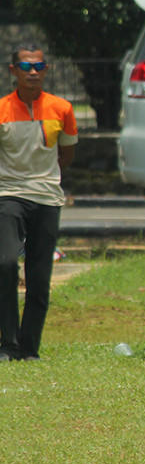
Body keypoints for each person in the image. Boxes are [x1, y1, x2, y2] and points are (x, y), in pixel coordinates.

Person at [0, 40, 77, 361]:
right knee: (5, 263)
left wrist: (46, 178)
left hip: (46, 197)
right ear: (13, 70)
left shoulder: (62, 109)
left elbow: (67, 154)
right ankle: (8, 343)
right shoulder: (2, 108)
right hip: (9, 195)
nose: (34, 72)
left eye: (39, 66)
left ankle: (29, 348)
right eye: (27, 66)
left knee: (39, 273)